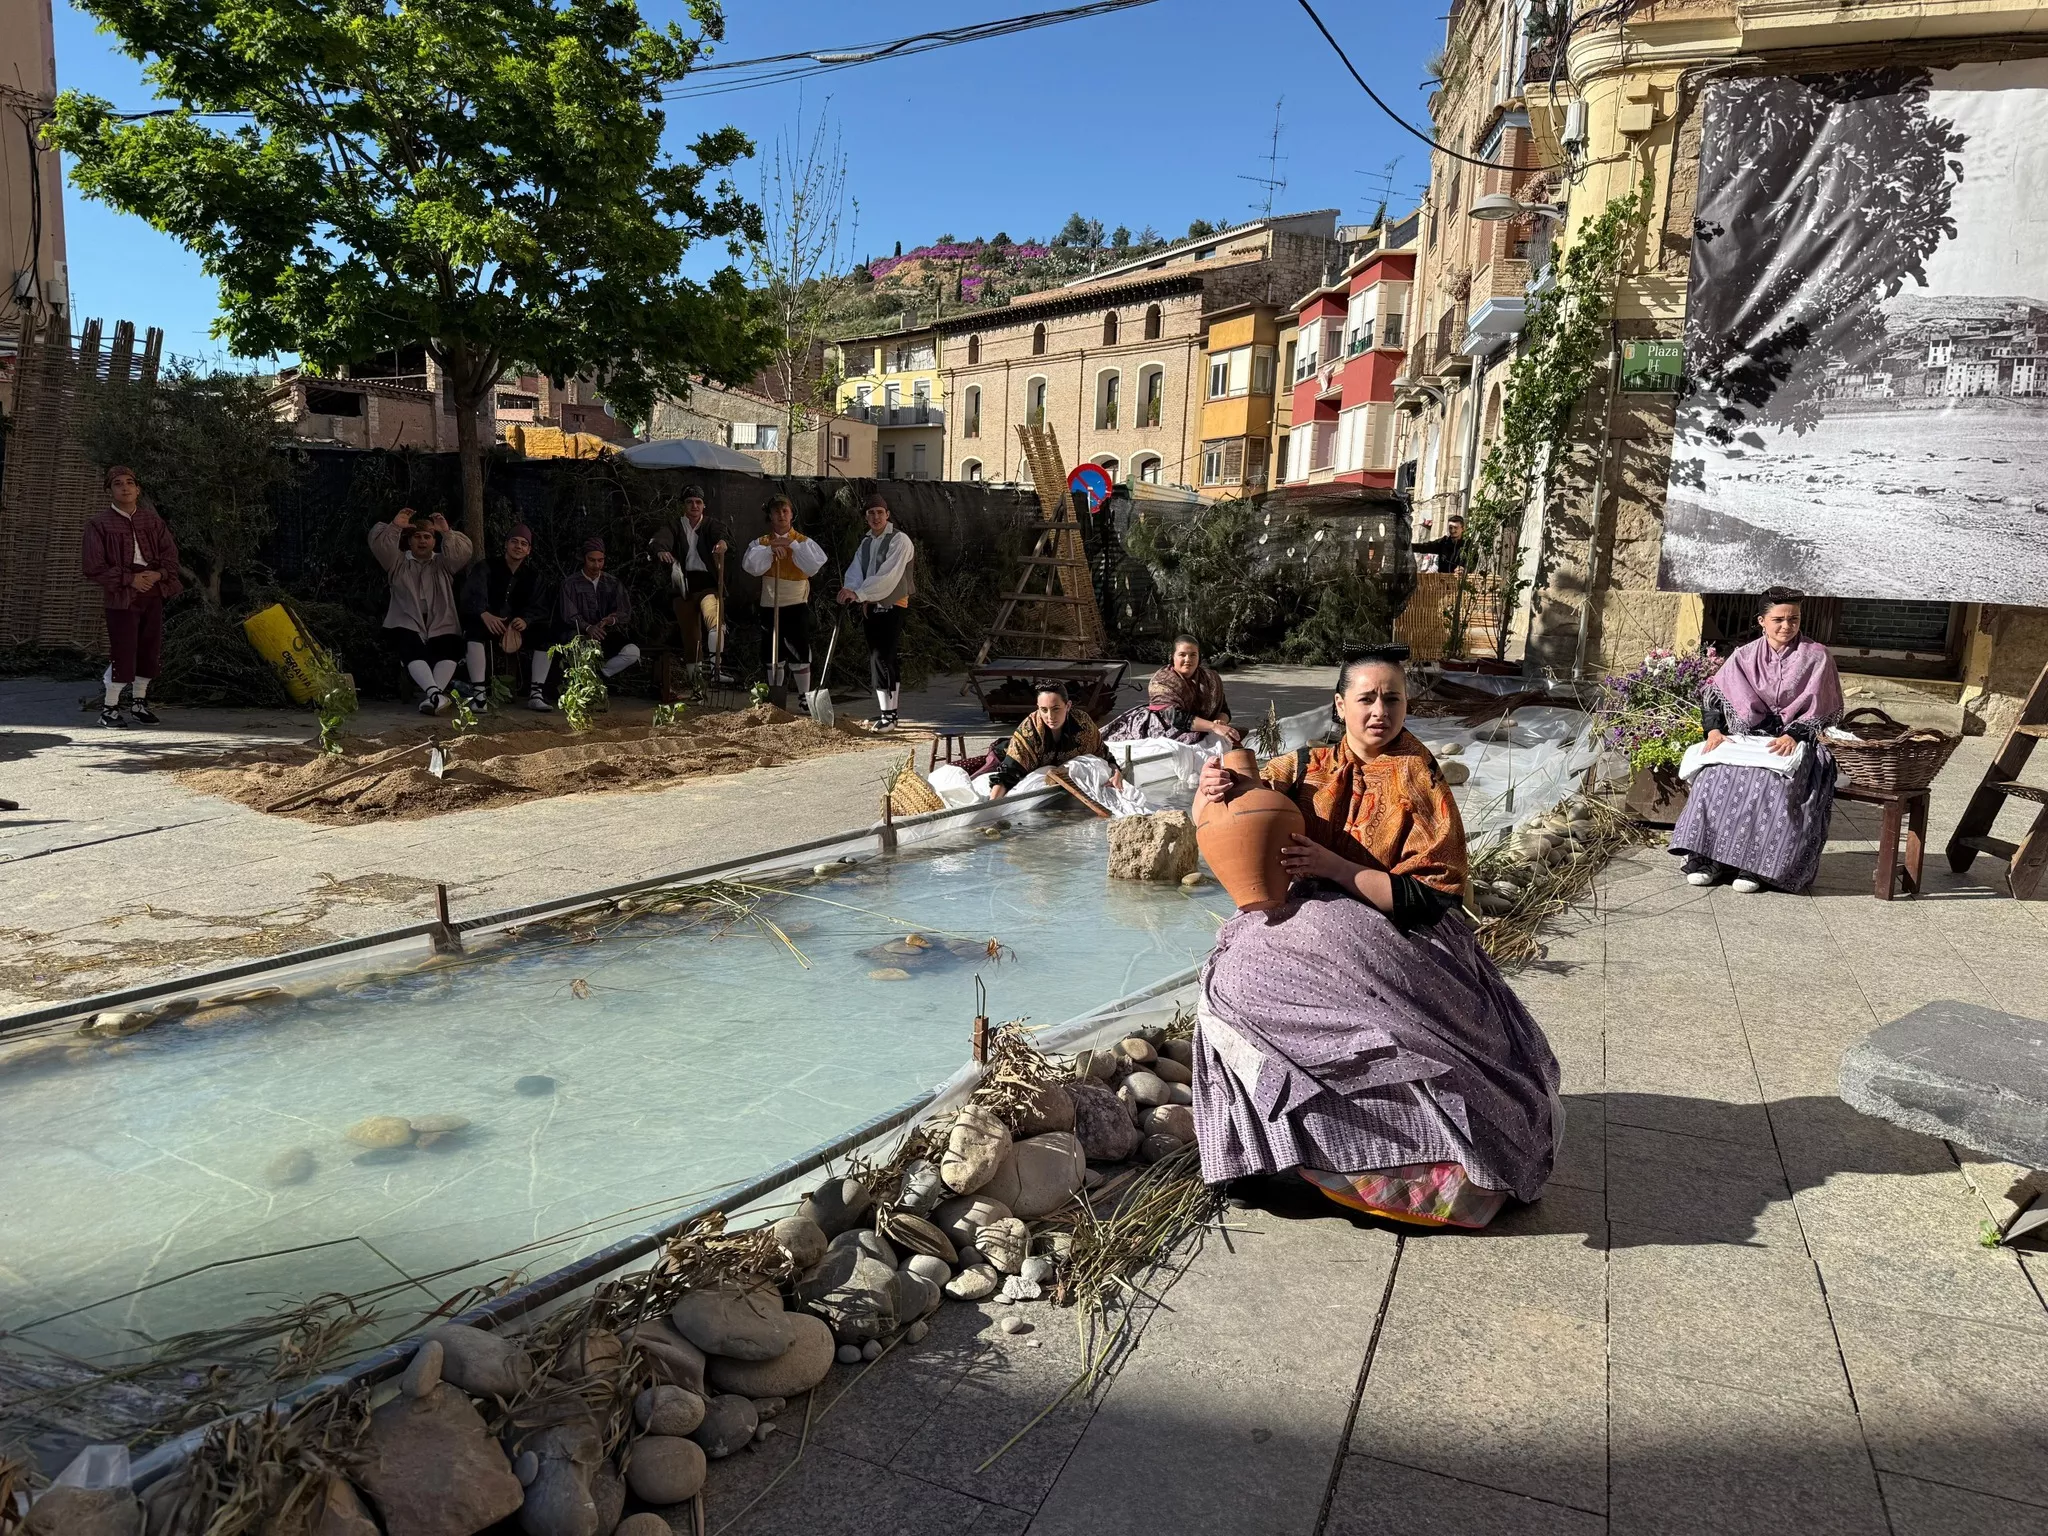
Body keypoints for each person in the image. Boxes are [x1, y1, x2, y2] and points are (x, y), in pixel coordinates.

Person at [1189, 645, 1561, 1229]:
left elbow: (1434, 898)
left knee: (1380, 1035)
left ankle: (1386, 1169)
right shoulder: (1306, 766)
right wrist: (1213, 784)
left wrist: (1334, 868)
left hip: (1400, 935)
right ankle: (1265, 1154)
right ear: (1340, 706)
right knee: (1232, 979)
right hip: (1308, 928)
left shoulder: (1421, 778)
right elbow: (1239, 795)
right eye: (1366, 698)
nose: (1379, 711)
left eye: (1393, 698)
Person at [1669, 586, 1843, 894]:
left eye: (1794, 619)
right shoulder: (1744, 656)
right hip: (1748, 739)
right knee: (1714, 777)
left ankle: (1755, 867)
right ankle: (1709, 859)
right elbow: (1713, 699)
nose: (1786, 626)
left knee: (1770, 783)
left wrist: (1794, 734)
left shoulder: (1817, 657)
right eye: (1778, 619)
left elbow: (1825, 709)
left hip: (1800, 741)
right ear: (1761, 621)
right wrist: (1714, 731)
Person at [82, 465, 183, 727]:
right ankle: (110, 710)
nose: (125, 487)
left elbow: (171, 556)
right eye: (117, 483)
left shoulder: (152, 521)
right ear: (109, 490)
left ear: (138, 489)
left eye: (129, 482)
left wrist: (158, 575)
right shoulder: (99, 525)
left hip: (152, 591)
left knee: (149, 648)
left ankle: (139, 704)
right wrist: (130, 579)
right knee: (124, 649)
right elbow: (93, 566)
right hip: (122, 596)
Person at [369, 507, 473, 715]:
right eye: (417, 536)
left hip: (440, 620)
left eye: (427, 536)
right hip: (406, 620)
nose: (422, 541)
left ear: (434, 541)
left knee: (450, 645)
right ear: (409, 540)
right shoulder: (397, 561)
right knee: (409, 645)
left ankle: (432, 697)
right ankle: (435, 695)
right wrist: (395, 527)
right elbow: (381, 546)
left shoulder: (443, 563)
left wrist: (446, 532)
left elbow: (462, 554)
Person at [741, 495, 828, 710]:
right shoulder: (761, 543)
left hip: (796, 603)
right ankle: (775, 695)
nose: (781, 515)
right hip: (770, 603)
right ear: (769, 516)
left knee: (799, 649)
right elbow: (751, 566)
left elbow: (813, 566)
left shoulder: (803, 541)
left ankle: (804, 697)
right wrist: (770, 550)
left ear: (791, 514)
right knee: (773, 651)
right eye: (776, 511)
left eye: (785, 511)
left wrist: (793, 545)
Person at [837, 491, 914, 731]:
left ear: (888, 515)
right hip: (871, 605)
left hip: (892, 604)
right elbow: (856, 570)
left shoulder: (900, 541)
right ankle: (888, 712)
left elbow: (887, 577)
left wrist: (859, 594)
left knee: (881, 657)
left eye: (880, 512)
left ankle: (888, 716)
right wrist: (848, 589)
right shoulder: (867, 541)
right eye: (871, 513)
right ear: (866, 517)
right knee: (881, 657)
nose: (876, 517)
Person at [459, 523, 557, 711]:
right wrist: (484, 613)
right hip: (489, 624)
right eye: (514, 542)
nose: (518, 547)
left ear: (528, 550)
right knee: (473, 632)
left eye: (523, 544)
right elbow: (470, 595)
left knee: (545, 635)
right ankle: (479, 696)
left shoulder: (534, 576)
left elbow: (540, 606)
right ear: (506, 544)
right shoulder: (486, 567)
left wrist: (526, 620)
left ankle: (536, 694)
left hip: (517, 628)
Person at [988, 684, 1125, 799]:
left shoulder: (1082, 724)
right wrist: (991, 809)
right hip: (1004, 754)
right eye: (1044, 710)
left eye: (1056, 709)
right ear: (1037, 707)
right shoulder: (1029, 731)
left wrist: (1116, 773)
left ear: (1068, 705)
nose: (1050, 717)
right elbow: (1007, 774)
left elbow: (1104, 755)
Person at [650, 486, 729, 680]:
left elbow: (723, 536)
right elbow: (659, 539)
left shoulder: (711, 524)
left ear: (704, 506)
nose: (694, 506)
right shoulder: (675, 525)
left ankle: (715, 670)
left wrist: (722, 543)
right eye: (689, 502)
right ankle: (696, 682)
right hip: (683, 587)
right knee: (690, 636)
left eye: (698, 502)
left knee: (716, 622)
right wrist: (661, 549)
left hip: (708, 585)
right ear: (683, 506)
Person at [1105, 633, 1240, 746]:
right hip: (1163, 728)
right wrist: (1213, 727)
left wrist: (1220, 722)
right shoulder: (1162, 681)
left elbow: (1224, 709)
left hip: (1204, 727)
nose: (1188, 659)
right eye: (1182, 654)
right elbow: (1175, 718)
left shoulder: (1211, 678)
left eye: (1193, 655)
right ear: (1172, 657)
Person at [558, 537, 640, 679]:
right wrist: (588, 627)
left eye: (600, 560)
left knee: (632, 652)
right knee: (577, 654)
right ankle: (583, 678)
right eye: (592, 560)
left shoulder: (612, 582)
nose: (596, 565)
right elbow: (568, 614)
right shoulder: (570, 584)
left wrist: (611, 620)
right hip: (578, 636)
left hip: (605, 634)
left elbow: (624, 611)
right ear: (584, 559)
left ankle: (598, 676)